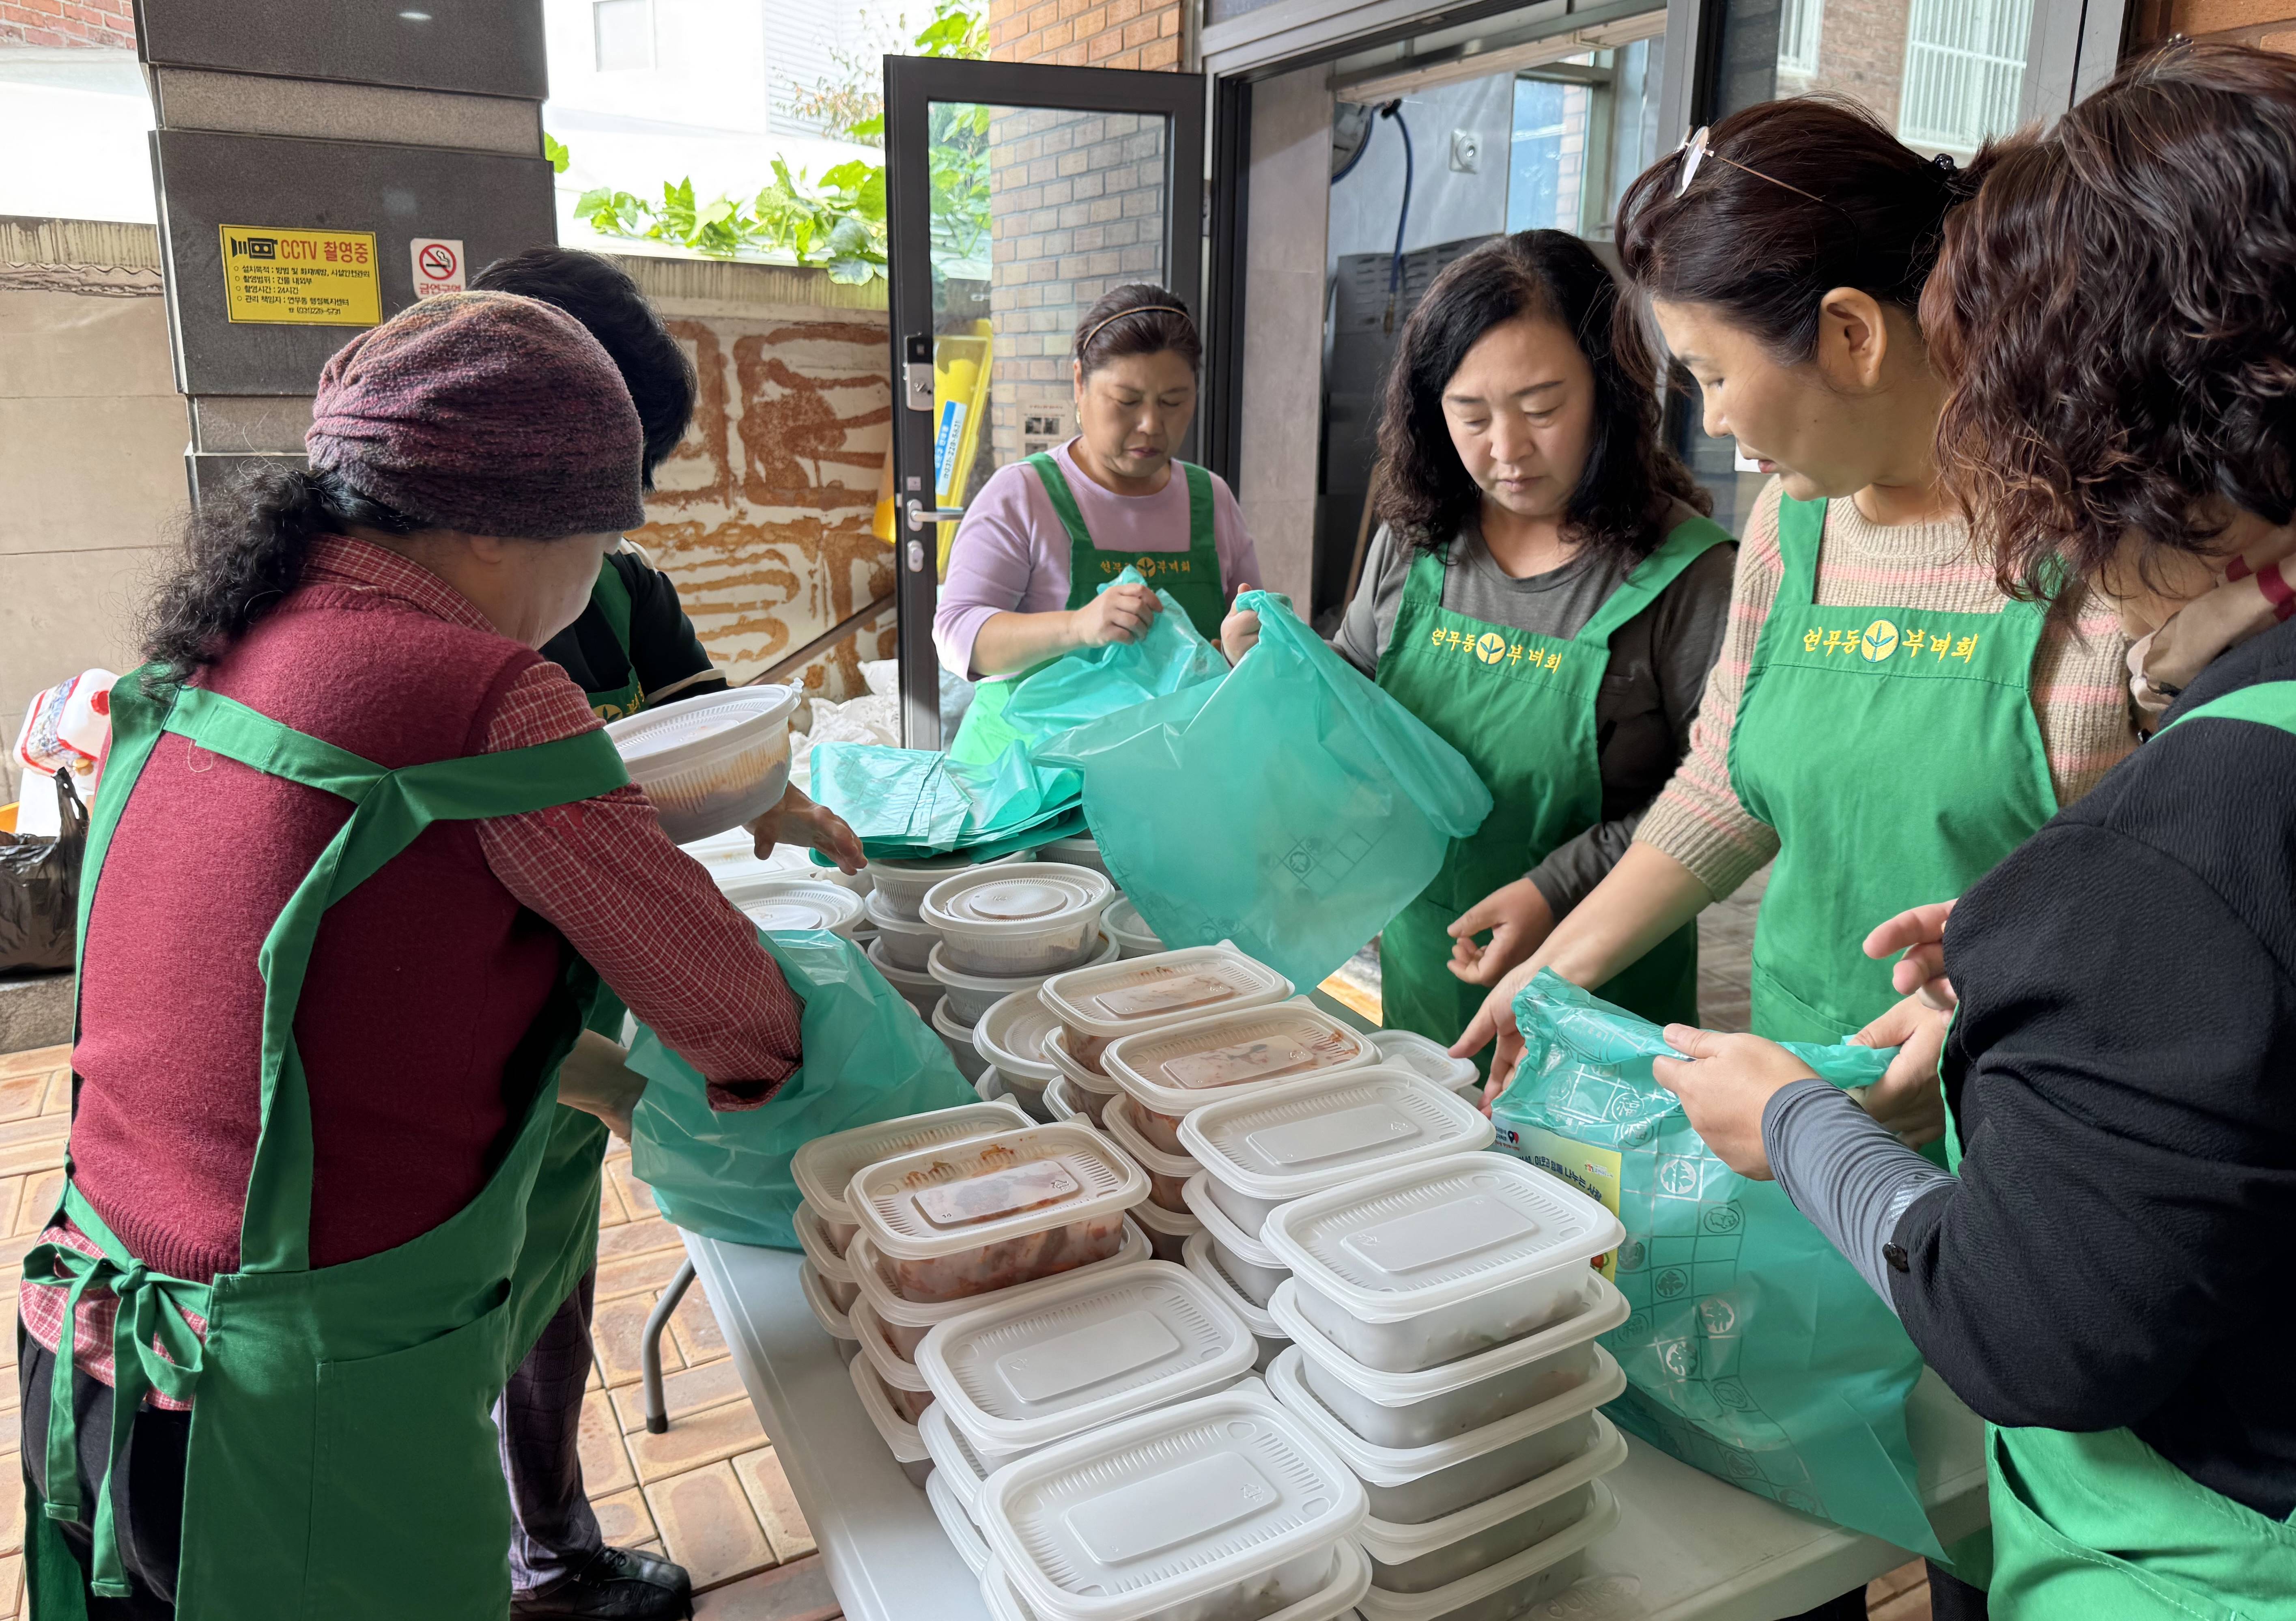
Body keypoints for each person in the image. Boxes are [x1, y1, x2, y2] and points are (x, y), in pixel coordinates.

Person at [17, 292, 808, 1620]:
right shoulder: (485, 693)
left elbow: (341, 988)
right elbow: (735, 1011)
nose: (600, 577)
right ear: (502, 527)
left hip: (89, 1347)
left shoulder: (213, 647)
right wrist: (779, 1068)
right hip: (293, 1424)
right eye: (602, 538)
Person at [1651, 42, 2296, 1619]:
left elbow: (2029, 1321)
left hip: (2192, 1547)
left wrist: (1808, 1124)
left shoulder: (2199, 818)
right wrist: (2045, 956)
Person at [1462, 98, 2136, 1109]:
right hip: (1798, 1081)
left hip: (2021, 1111)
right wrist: (1555, 969)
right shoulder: (1792, 524)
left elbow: (2166, 908)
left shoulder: (2110, 550)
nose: (1715, 415)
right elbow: (1726, 783)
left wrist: (1965, 1031)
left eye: (1714, 372)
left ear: (1851, 335)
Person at [468, 247, 856, 1621]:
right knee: (459, 1309)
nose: (619, 530)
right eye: (600, 494)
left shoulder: (618, 592)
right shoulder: (446, 655)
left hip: (564, 1024)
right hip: (466, 1056)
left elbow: (705, 743)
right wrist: (647, 1066)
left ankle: (550, 1541)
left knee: (549, 1286)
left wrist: (779, 803)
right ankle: (489, 1550)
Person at [1220, 230, 1736, 1060]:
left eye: (1542, 408)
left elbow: (1718, 801)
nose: (1507, 449)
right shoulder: (1416, 540)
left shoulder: (1690, 577)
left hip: (1604, 1003)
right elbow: (1353, 719)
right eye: (1471, 415)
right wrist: (1273, 667)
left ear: (1610, 389)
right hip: (1429, 965)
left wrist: (1554, 888)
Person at [936, 284, 1261, 761]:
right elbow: (958, 634)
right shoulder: (1023, 495)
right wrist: (1077, 627)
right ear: (1079, 384)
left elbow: (1251, 630)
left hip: (1175, 775)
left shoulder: (1210, 498)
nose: (1151, 423)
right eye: (1127, 401)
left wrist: (1245, 651)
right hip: (1034, 783)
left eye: (1173, 401)